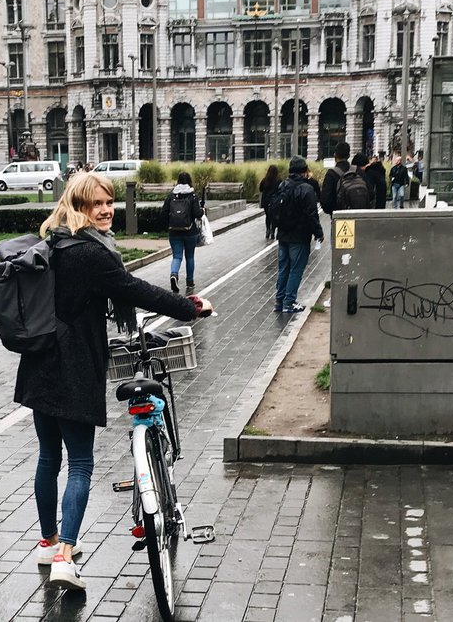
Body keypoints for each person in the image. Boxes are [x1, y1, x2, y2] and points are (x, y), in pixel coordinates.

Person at [18, 172, 212, 590]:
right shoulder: (90, 253)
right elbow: (134, 289)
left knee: (49, 457)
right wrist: (188, 307)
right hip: (72, 366)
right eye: (96, 205)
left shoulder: (55, 241)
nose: (106, 210)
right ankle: (65, 558)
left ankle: (48, 542)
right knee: (81, 463)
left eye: (109, 202)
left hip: (40, 361)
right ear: (79, 208)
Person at [273, 156, 324, 314]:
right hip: (299, 236)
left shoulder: (282, 185)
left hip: (283, 234)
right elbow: (311, 214)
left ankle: (279, 301)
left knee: (283, 268)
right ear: (304, 171)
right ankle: (289, 302)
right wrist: (318, 233)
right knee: (296, 269)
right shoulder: (306, 189)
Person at [161, 171, 205, 294]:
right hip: (190, 231)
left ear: (178, 181)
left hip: (174, 232)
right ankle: (190, 282)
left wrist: (168, 226)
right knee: (190, 256)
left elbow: (163, 213)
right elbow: (197, 213)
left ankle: (174, 275)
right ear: (189, 181)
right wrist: (202, 211)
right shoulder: (192, 195)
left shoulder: (171, 195)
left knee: (177, 256)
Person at [319, 141, 351, 216]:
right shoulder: (357, 171)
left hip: (338, 218)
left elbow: (325, 202)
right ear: (348, 156)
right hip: (356, 218)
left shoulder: (331, 174)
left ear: (335, 155)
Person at [259, 164, 281, 240]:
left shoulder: (265, 180)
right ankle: (272, 231)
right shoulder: (278, 180)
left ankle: (267, 230)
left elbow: (260, 189)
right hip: (275, 201)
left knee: (268, 216)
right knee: (274, 216)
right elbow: (281, 189)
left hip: (266, 201)